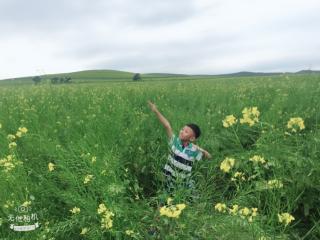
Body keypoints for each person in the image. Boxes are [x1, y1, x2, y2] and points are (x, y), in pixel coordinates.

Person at [148, 101, 212, 194]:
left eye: (186, 132)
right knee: (163, 200)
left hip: (183, 183)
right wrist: (156, 111)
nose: (182, 131)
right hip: (168, 179)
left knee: (183, 202)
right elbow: (167, 126)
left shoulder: (194, 150)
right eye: (182, 129)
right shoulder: (174, 141)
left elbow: (209, 156)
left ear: (192, 138)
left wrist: (198, 148)